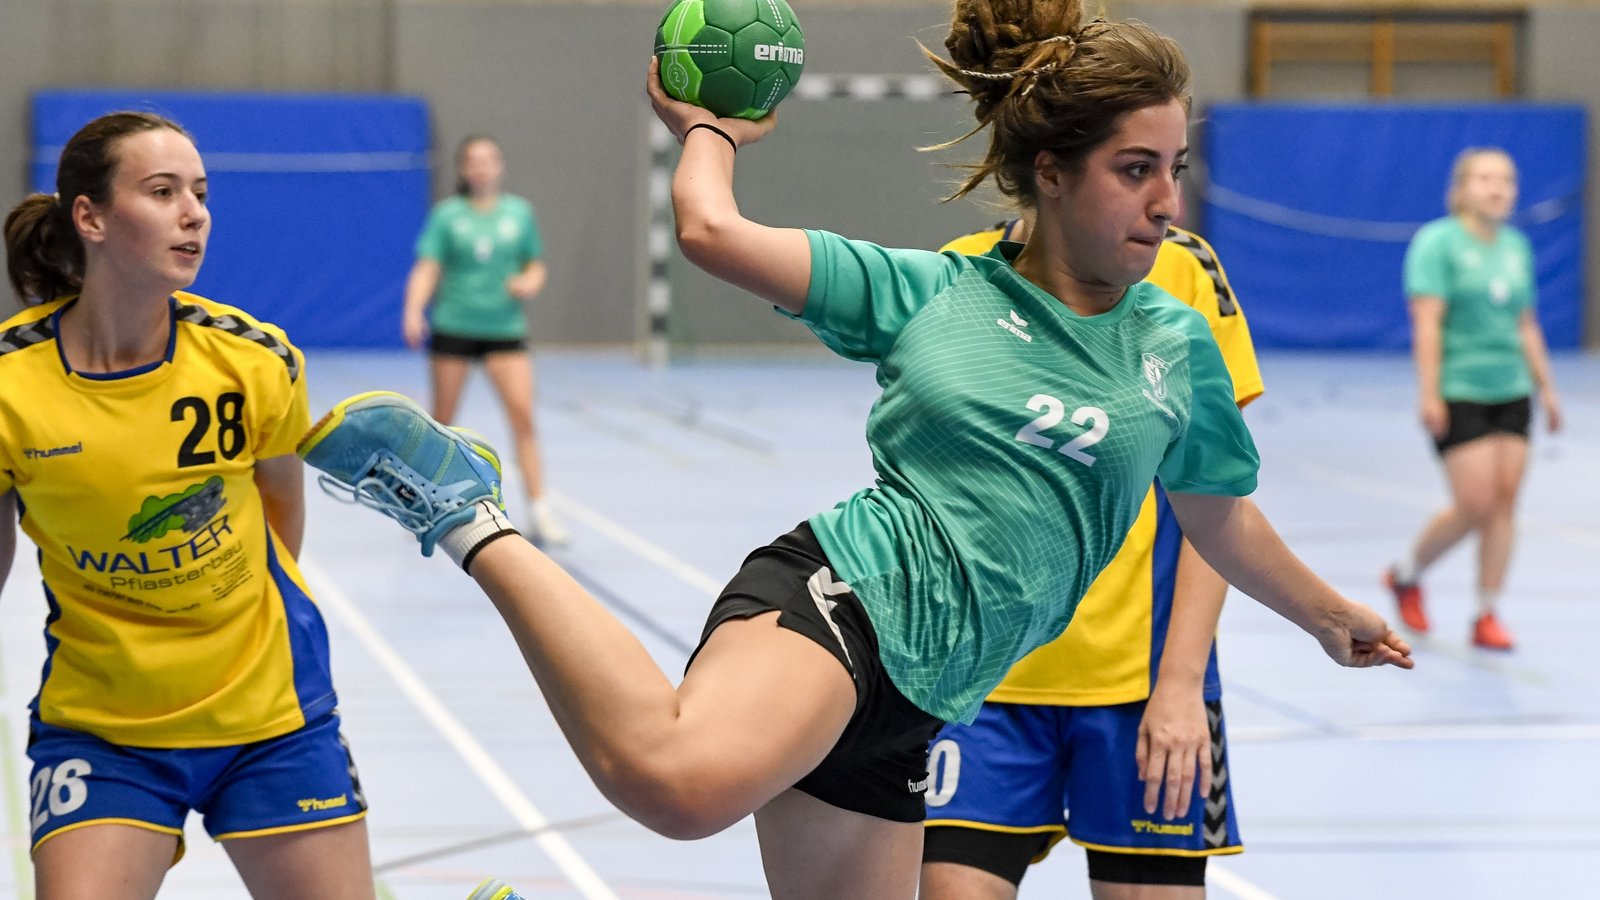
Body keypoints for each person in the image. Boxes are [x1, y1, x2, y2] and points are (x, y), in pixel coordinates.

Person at [300, 3, 1411, 897]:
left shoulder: (1172, 337)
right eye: (1135, 170)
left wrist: (1325, 615)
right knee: (679, 788)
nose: (1166, 200)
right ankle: (468, 511)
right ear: (1052, 173)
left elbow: (1212, 509)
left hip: (923, 699)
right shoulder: (934, 293)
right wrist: (710, 134)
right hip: (845, 606)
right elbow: (711, 234)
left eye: (1174, 167)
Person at [0, 112, 375, 899]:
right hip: (102, 733)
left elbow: (280, 520)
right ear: (90, 217)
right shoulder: (10, 384)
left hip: (271, 720)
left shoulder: (254, 360)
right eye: (163, 191)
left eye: (200, 193)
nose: (194, 212)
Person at [921, 216, 1262, 898]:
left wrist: (1181, 686)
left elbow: (1216, 504)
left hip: (1139, 683)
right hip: (982, 684)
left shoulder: (1183, 265)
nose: (1160, 193)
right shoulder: (961, 269)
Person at [1384, 147, 1563, 652]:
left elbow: (1526, 323)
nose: (1497, 188)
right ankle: (1406, 573)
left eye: (1506, 179)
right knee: (1476, 502)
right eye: (1485, 178)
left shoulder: (1516, 247)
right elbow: (1427, 323)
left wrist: (1546, 388)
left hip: (1512, 389)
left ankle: (1487, 610)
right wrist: (1430, 393)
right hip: (1460, 389)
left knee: (1505, 501)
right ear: (1461, 188)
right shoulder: (1436, 244)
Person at [402, 134, 567, 545]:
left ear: (499, 166)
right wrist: (412, 309)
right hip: (454, 327)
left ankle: (540, 509)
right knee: (443, 421)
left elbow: (535, 263)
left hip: (504, 331)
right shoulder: (447, 215)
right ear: (463, 169)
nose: (482, 167)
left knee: (523, 417)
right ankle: (427, 503)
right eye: (474, 161)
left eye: (490, 159)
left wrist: (530, 280)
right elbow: (427, 267)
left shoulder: (519, 213)